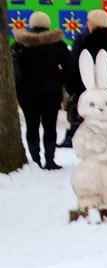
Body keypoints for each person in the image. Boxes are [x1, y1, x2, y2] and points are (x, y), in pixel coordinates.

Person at [12, 11, 72, 169]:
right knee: (50, 125)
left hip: (27, 92)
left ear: (31, 25)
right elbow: (69, 68)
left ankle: (35, 160)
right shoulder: (57, 44)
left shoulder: (20, 44)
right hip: (51, 92)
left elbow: (14, 69)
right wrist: (63, 82)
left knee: (31, 125)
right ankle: (50, 159)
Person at [60, 9, 107, 148]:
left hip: (84, 83)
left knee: (83, 110)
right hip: (105, 84)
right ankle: (102, 138)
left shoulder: (83, 39)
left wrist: (71, 84)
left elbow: (74, 61)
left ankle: (75, 136)